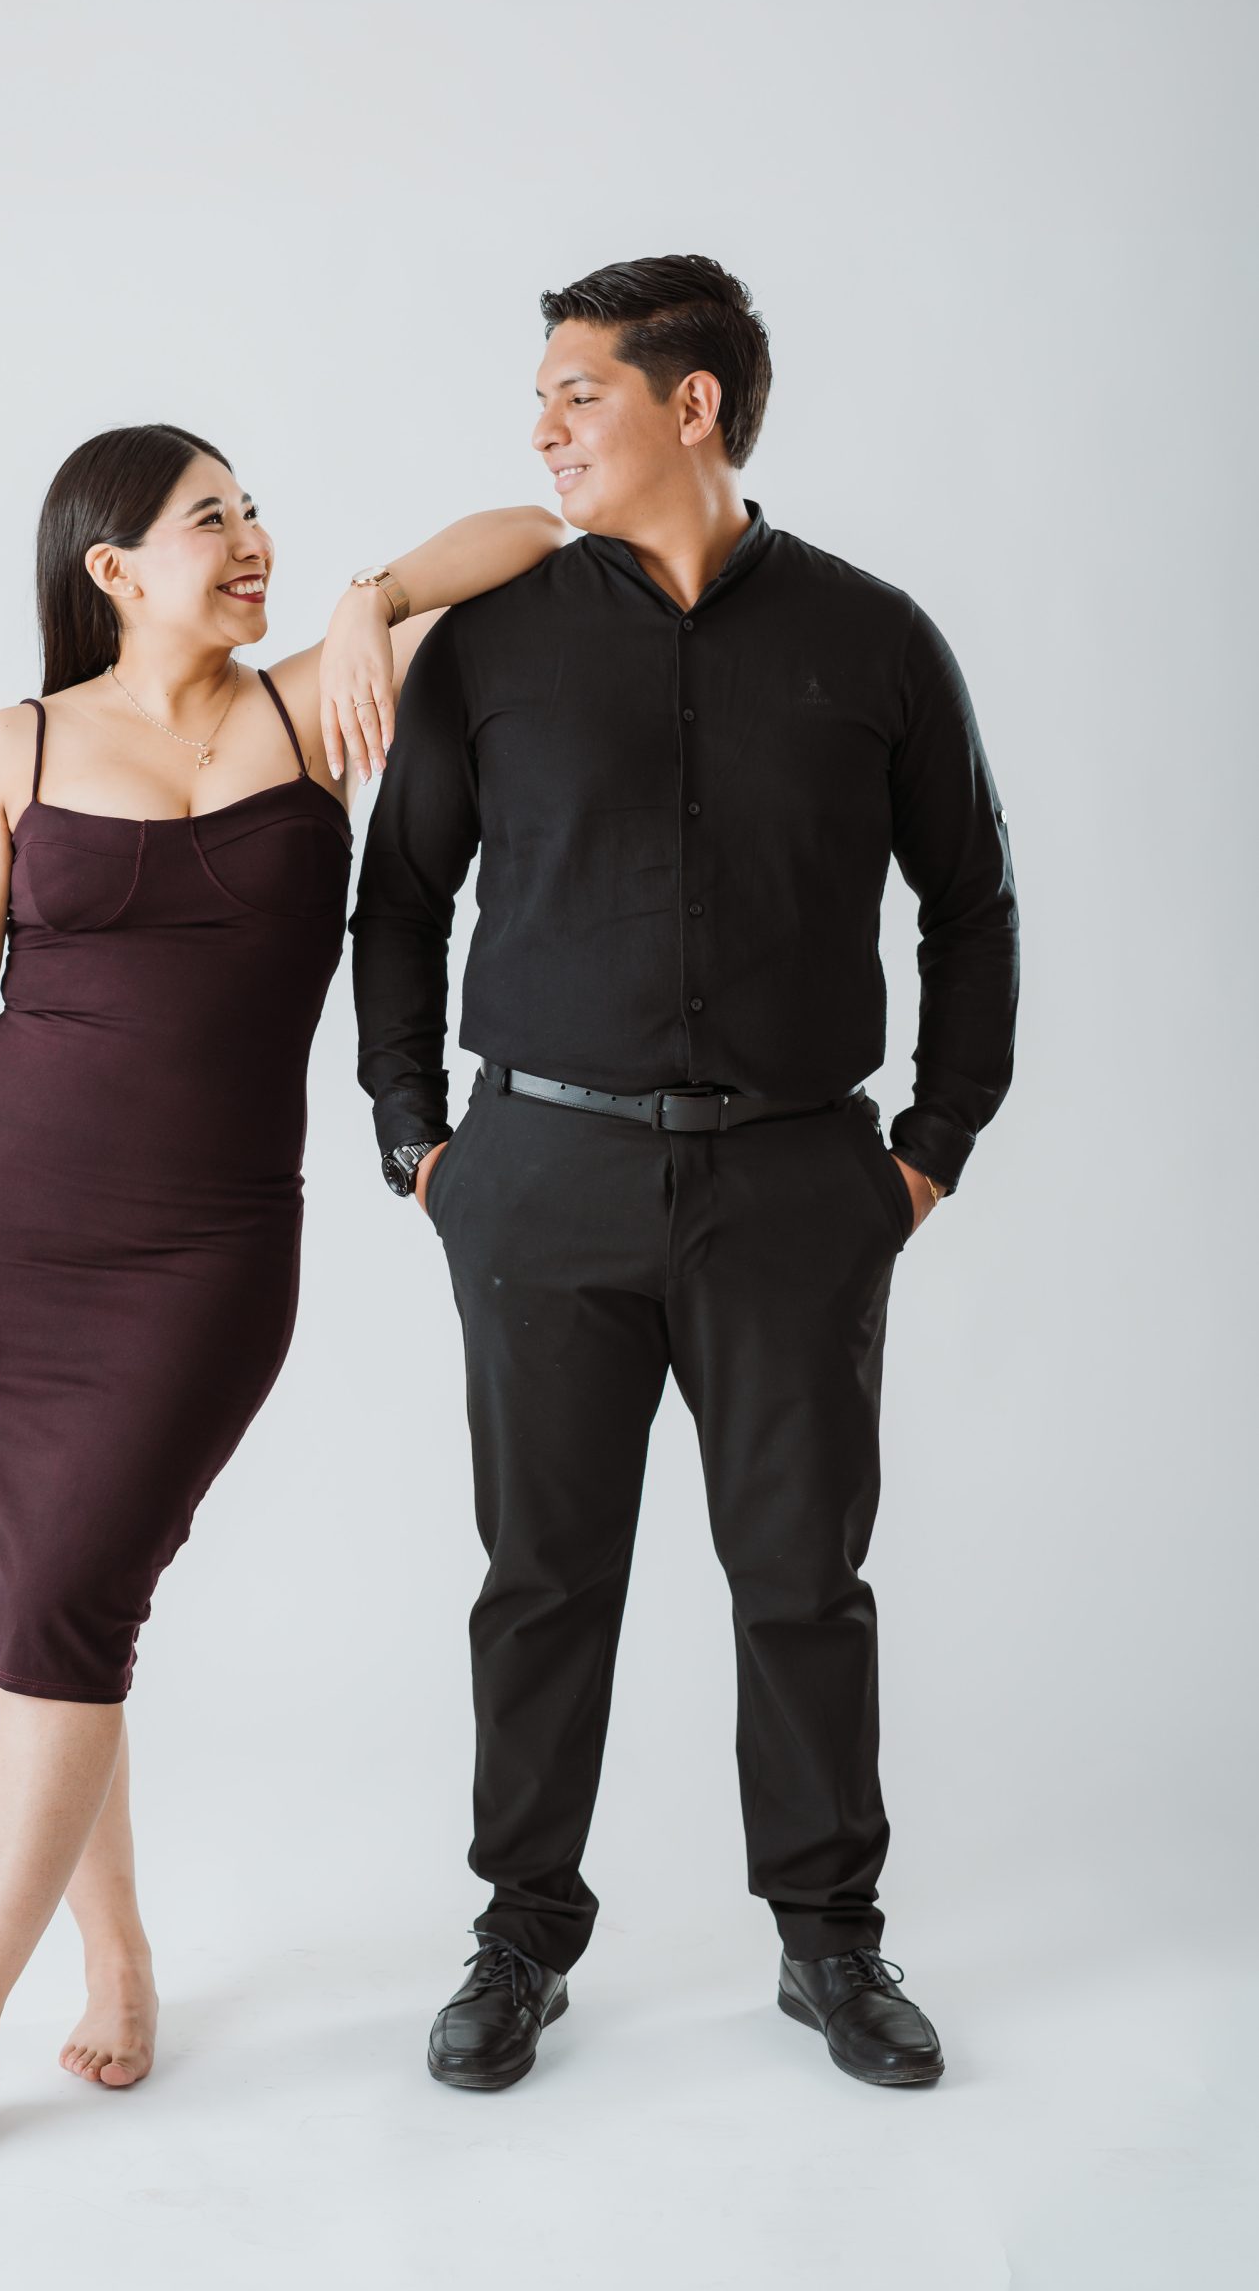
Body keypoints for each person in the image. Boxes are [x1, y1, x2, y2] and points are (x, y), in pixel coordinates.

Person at [0, 422, 565, 2192]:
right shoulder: (13, 749)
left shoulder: (316, 705)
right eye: (208, 520)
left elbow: (534, 538)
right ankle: (114, 1958)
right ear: (113, 570)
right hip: (17, 1240)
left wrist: (374, 595)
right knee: (57, 1614)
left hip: (209, 1257)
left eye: (253, 513)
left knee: (68, 1603)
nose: (250, 542)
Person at [351, 255, 1019, 2093]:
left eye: (576, 393)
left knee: (802, 1578)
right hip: (537, 1177)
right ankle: (520, 1936)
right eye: (541, 399)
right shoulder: (494, 642)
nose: (544, 430)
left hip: (800, 1189)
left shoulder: (875, 641)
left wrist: (929, 1152)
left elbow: (972, 903)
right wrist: (419, 1141)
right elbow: (399, 900)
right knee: (541, 1578)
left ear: (692, 404)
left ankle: (830, 1943)